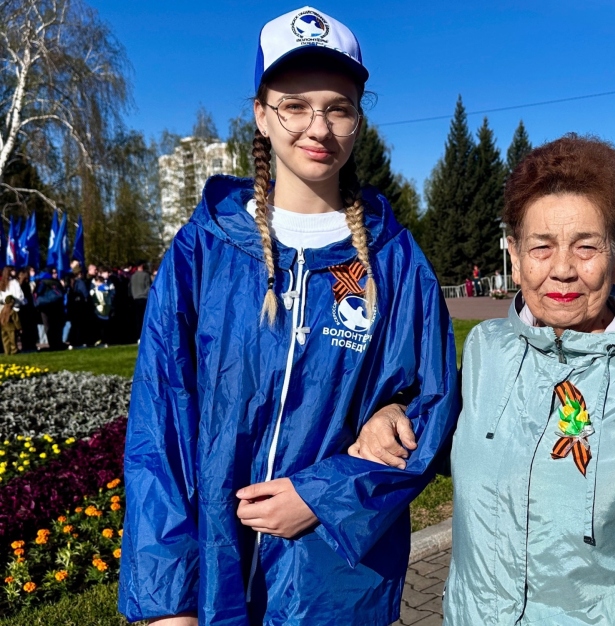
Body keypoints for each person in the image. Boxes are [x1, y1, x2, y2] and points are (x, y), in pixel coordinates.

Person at [118, 8, 459, 626]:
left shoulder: (394, 259)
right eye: (295, 106)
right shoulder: (205, 250)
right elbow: (160, 425)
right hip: (215, 578)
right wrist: (169, 602)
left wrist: (322, 494)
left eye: (338, 108)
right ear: (260, 114)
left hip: (335, 584)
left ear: (359, 119)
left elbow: (433, 404)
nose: (318, 127)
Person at [352, 135, 615, 624]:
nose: (562, 270)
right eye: (541, 247)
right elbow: (450, 441)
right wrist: (392, 412)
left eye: (586, 247)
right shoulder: (487, 347)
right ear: (515, 257)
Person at [33, 267, 66, 350]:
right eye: (53, 272)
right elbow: (62, 293)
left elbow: (37, 293)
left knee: (48, 326)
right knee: (57, 326)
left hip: (45, 308)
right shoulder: (56, 282)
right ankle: (58, 343)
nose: (55, 274)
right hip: (56, 307)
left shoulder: (41, 282)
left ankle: (52, 344)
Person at [129, 262, 151, 340]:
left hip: (135, 298)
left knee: (137, 319)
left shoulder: (133, 276)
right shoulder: (146, 275)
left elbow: (130, 288)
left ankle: (138, 336)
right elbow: (148, 287)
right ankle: (145, 335)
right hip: (143, 298)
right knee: (144, 317)